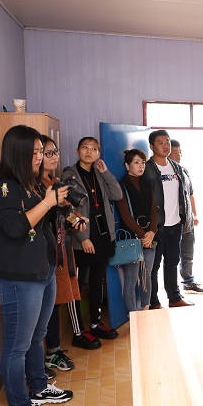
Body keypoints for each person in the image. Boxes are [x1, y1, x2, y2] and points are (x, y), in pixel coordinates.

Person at [0, 125, 74, 406]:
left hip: (42, 271)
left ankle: (38, 386)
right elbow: (15, 228)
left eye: (41, 151)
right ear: (19, 153)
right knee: (17, 346)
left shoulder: (30, 184)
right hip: (18, 279)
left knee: (37, 335)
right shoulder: (0, 188)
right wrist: (47, 202)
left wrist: (56, 204)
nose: (40, 157)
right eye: (35, 152)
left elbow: (40, 221)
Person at [63, 137, 123, 340]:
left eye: (94, 149)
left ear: (98, 153)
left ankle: (96, 323)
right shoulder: (69, 175)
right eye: (85, 148)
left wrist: (105, 172)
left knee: (98, 281)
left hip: (103, 235)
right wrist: (82, 238)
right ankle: (78, 331)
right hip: (84, 238)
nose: (89, 152)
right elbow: (67, 211)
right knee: (78, 285)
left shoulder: (99, 173)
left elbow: (117, 195)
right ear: (77, 151)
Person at [41, 136, 91, 375]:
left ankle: (54, 349)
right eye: (47, 153)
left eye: (55, 152)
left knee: (56, 301)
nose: (54, 157)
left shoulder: (54, 181)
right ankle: (50, 352)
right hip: (47, 252)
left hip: (61, 248)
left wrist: (76, 220)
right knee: (48, 304)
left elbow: (64, 213)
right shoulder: (36, 186)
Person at [144, 130, 197, 308]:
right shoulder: (147, 169)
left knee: (172, 262)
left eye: (167, 141)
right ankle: (153, 301)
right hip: (156, 226)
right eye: (160, 142)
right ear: (152, 146)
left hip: (175, 224)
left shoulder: (176, 167)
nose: (165, 145)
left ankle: (174, 298)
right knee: (154, 266)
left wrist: (185, 218)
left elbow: (185, 194)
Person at [115, 149, 158, 312]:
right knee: (131, 280)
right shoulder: (122, 185)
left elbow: (153, 210)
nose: (141, 166)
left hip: (149, 237)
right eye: (136, 162)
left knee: (146, 277)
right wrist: (143, 235)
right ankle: (133, 315)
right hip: (132, 238)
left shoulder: (146, 183)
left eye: (143, 162)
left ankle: (145, 310)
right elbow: (125, 216)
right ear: (127, 165)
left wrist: (152, 232)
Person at [169, 139, 203, 294]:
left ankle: (188, 282)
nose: (179, 155)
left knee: (188, 254)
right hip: (172, 222)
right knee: (172, 257)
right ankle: (173, 288)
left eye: (180, 152)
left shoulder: (184, 171)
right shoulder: (163, 173)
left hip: (188, 221)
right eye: (175, 152)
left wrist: (195, 214)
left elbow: (190, 194)